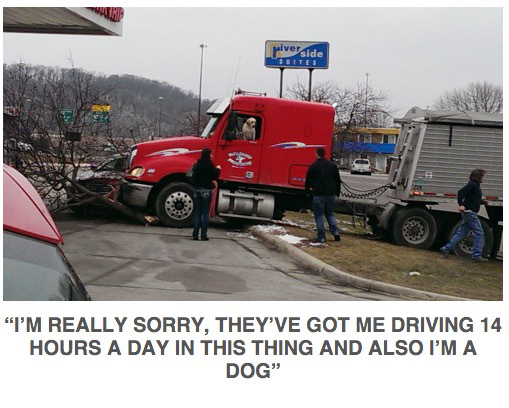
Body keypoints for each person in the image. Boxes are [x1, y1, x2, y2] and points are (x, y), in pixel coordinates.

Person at [440, 169, 488, 262]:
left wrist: (482, 202)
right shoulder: (472, 185)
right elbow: (460, 193)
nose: (483, 178)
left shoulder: (475, 185)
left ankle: (446, 248)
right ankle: (476, 255)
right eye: (482, 176)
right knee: (479, 233)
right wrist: (460, 204)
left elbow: (472, 198)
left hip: (468, 213)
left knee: (461, 233)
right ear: (477, 177)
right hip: (470, 213)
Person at [305, 147, 342, 243]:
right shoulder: (332, 165)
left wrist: (307, 191)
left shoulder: (313, 166)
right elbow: (337, 180)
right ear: (325, 154)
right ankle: (336, 232)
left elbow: (308, 180)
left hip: (318, 195)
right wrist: (337, 192)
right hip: (330, 194)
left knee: (319, 216)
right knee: (330, 214)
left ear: (316, 154)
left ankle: (321, 237)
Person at [191, 148, 221, 241]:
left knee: (197, 213)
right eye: (211, 154)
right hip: (206, 191)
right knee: (205, 212)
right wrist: (218, 169)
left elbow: (192, 176)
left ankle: (195, 235)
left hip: (197, 190)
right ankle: (203, 235)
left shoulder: (197, 164)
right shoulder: (209, 165)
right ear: (208, 155)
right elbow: (214, 176)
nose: (211, 156)